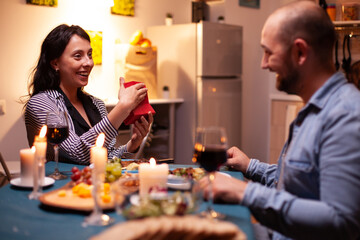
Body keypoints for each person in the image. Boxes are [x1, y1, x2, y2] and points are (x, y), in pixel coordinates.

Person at [200, 2, 360, 240]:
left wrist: (246, 192)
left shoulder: (345, 115)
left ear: (300, 53)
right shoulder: (314, 107)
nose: (264, 64)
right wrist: (250, 166)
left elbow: (341, 221)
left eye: (268, 52)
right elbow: (298, 183)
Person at [24, 24, 153, 165]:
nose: (88, 63)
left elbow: (107, 158)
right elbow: (78, 153)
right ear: (55, 63)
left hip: (94, 185)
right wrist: (122, 108)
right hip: (59, 186)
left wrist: (133, 144)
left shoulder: (96, 104)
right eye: (78, 56)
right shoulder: (41, 103)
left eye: (89, 55)